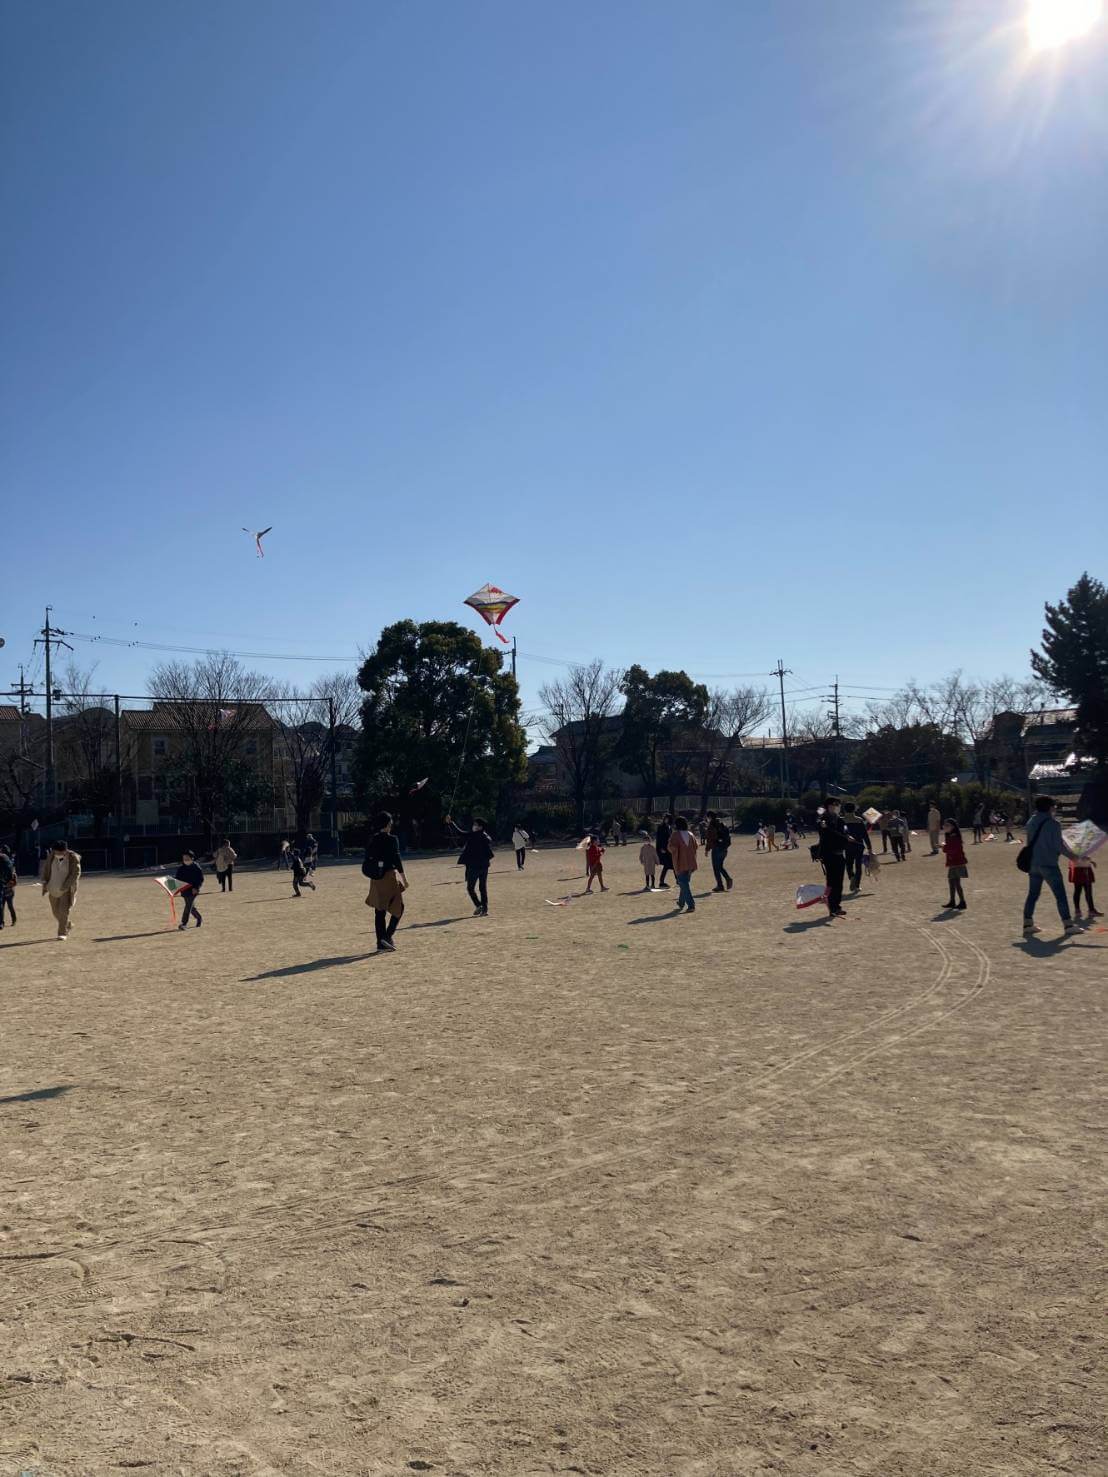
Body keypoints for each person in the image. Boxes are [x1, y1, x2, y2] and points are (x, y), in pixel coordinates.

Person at [1022, 795, 1080, 937]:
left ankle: (1027, 924)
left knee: (1033, 894)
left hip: (1033, 863)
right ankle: (1068, 925)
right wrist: (1073, 857)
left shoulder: (1031, 821)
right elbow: (1059, 846)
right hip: (1049, 863)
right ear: (1049, 807)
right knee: (1060, 895)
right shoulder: (1053, 824)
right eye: (1053, 806)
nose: (1055, 808)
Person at [363, 810, 407, 952]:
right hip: (389, 877)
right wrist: (404, 879)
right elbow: (397, 859)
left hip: (376, 878)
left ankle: (380, 943)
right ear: (388, 824)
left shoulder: (373, 839)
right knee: (399, 907)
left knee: (379, 910)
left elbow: (368, 857)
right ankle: (387, 936)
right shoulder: (392, 839)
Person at [448, 815, 494, 916]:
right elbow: (489, 843)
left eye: (476, 825)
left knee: (470, 888)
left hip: (474, 867)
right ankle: (485, 909)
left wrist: (451, 823)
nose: (474, 826)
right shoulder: (486, 837)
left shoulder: (473, 835)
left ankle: (478, 905)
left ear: (480, 827)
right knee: (483, 888)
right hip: (484, 866)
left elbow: (460, 833)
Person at [40, 839, 81, 941]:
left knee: (63, 911)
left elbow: (75, 873)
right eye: (55, 852)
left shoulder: (73, 858)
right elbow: (46, 869)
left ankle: (62, 933)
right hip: (52, 887)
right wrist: (44, 882)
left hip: (66, 889)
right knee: (55, 912)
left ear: (65, 851)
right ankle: (68, 924)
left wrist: (66, 886)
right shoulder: (51, 856)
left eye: (59, 852)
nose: (57, 854)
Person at [816, 801, 849, 919]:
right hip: (829, 855)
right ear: (827, 808)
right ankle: (832, 907)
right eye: (832, 806)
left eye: (837, 806)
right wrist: (825, 827)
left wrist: (845, 837)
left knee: (839, 882)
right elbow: (827, 835)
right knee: (831, 882)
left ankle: (837, 906)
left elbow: (843, 834)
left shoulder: (840, 820)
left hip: (840, 853)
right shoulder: (823, 820)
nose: (835, 808)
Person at [668, 815, 699, 912]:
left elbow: (671, 847)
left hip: (681, 863)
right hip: (691, 862)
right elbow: (696, 846)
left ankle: (691, 905)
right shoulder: (690, 834)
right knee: (684, 884)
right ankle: (681, 902)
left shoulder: (675, 835)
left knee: (684, 884)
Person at [841, 802, 872, 892]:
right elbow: (865, 835)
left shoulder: (841, 820)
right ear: (854, 809)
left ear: (844, 809)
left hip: (847, 845)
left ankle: (851, 877)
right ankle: (857, 886)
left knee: (849, 864)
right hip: (859, 845)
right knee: (858, 865)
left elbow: (841, 834)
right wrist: (869, 847)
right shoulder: (859, 820)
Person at [941, 819, 969, 910]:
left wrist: (944, 847)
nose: (944, 827)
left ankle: (962, 902)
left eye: (947, 825)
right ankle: (952, 901)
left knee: (956, 883)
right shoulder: (950, 836)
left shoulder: (955, 836)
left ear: (952, 827)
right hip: (953, 862)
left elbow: (953, 849)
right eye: (944, 825)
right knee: (951, 882)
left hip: (957, 862)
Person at [174, 850, 204, 930]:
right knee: (191, 907)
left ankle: (184, 923)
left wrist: (196, 888)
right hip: (184, 890)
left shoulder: (197, 868)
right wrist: (174, 889)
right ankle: (199, 918)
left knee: (188, 906)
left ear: (192, 858)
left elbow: (200, 879)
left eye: (187, 858)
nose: (185, 859)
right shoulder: (181, 868)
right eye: (184, 858)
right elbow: (177, 879)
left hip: (193, 890)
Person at [704, 810, 733, 892]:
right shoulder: (722, 824)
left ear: (709, 817)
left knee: (716, 868)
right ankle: (728, 878)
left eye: (707, 817)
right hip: (724, 848)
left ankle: (720, 885)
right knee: (720, 866)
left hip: (716, 848)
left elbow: (709, 839)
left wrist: (707, 850)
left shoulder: (711, 825)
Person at [1070, 854, 1100, 920]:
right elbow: (1078, 858)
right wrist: (1088, 859)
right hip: (1082, 870)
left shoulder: (1075, 850)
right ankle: (1088, 910)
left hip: (1079, 870)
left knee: (1080, 891)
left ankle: (1081, 910)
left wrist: (1090, 861)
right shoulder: (1077, 850)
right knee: (1083, 891)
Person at [0, 844, 17, 929]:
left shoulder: (8, 861)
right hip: (7, 886)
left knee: (8, 905)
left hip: (8, 887)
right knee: (4, 905)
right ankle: (3, 921)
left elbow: (13, 875)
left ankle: (13, 919)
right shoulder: (9, 860)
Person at [655, 814, 674, 888]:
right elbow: (659, 838)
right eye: (665, 818)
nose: (665, 819)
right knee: (668, 865)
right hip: (663, 849)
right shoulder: (661, 827)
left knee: (670, 865)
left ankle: (662, 882)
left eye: (667, 818)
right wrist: (661, 848)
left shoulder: (669, 827)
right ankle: (661, 882)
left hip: (669, 848)